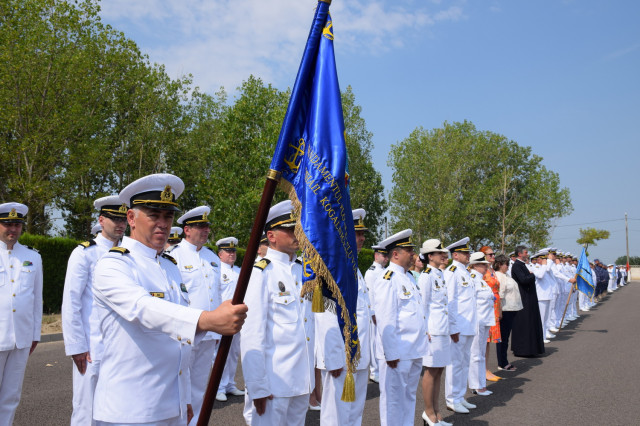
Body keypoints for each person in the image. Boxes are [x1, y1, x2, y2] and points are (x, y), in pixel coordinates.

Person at [92, 174, 247, 425]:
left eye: (168, 216)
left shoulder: (169, 265)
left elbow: (178, 340)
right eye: (154, 215)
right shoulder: (113, 264)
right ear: (131, 218)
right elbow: (144, 308)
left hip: (170, 404)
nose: (163, 224)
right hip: (131, 408)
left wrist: (183, 398)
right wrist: (207, 320)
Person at [240, 200, 315, 426]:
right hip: (275, 383)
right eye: (291, 229)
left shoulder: (303, 270)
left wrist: (313, 380)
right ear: (271, 236)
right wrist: (257, 386)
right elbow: (252, 333)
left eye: (299, 228)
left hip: (301, 380)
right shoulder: (261, 272)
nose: (297, 233)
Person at [62, 195, 127, 425]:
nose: (120, 224)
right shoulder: (85, 253)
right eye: (114, 219)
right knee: (86, 410)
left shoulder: (128, 254)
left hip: (121, 346)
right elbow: (71, 302)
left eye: (123, 219)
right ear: (101, 220)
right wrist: (77, 346)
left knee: (117, 409)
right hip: (92, 346)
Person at [315, 208, 373, 425]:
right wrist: (333, 357)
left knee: (354, 412)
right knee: (335, 413)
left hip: (358, 353)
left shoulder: (353, 266)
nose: (362, 238)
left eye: (362, 233)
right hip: (341, 356)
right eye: (357, 233)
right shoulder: (329, 267)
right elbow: (325, 315)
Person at [168, 205, 224, 419]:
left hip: (210, 331)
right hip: (186, 331)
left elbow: (217, 292)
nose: (206, 230)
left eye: (207, 226)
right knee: (180, 382)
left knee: (200, 385)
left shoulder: (212, 257)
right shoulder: (174, 256)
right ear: (187, 230)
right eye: (200, 227)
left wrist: (217, 330)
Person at [373, 229, 427, 426]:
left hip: (414, 349)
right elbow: (385, 319)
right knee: (393, 401)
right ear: (395, 254)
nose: (413, 254)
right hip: (397, 352)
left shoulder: (409, 277)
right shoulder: (387, 278)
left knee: (409, 397)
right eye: (409, 250)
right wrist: (391, 353)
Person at [0, 202, 42, 426]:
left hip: (21, 338)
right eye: (7, 224)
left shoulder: (32, 256)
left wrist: (35, 334)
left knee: (11, 396)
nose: (13, 229)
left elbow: (36, 299)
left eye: (17, 225)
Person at [418, 239, 453, 426]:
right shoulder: (426, 276)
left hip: (442, 328)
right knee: (431, 371)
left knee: (439, 370)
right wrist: (424, 330)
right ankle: (428, 412)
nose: (443, 255)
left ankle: (437, 412)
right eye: (440, 253)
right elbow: (422, 305)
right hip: (433, 330)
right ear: (430, 256)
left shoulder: (439, 274)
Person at [443, 237, 477, 414]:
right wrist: (453, 327)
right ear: (455, 255)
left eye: (468, 252)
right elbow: (450, 301)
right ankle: (452, 399)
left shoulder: (466, 272)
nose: (468, 255)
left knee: (464, 363)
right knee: (455, 364)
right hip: (458, 326)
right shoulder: (452, 272)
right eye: (465, 253)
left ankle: (460, 396)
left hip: (469, 324)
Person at [216, 236, 246, 400]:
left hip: (237, 316)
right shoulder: (217, 270)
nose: (232, 254)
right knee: (220, 353)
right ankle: (219, 387)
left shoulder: (239, 271)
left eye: (233, 251)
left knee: (233, 353)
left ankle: (229, 384)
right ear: (220, 254)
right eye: (228, 251)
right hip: (222, 316)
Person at [468, 252, 495, 397]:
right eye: (483, 264)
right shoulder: (472, 279)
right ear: (475, 265)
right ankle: (476, 386)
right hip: (477, 321)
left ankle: (481, 384)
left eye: (486, 264)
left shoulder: (481, 280)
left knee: (481, 354)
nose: (486, 267)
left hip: (485, 320)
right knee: (475, 354)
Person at [510, 245, 545, 357]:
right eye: (525, 252)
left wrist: (530, 275)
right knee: (524, 323)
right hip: (523, 298)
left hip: (528, 297)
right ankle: (523, 349)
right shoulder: (517, 265)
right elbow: (523, 280)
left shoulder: (522, 265)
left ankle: (532, 348)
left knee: (530, 322)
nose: (527, 254)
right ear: (520, 254)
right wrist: (532, 275)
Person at [364, 244, 389, 383]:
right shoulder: (371, 272)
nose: (386, 258)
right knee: (374, 342)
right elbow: (370, 295)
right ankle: (374, 371)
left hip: (384, 311)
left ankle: (382, 368)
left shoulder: (385, 271)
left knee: (383, 341)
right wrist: (373, 313)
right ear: (376, 255)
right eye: (383, 255)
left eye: (387, 256)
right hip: (376, 313)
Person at [494, 254, 522, 371]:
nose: (508, 266)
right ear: (500, 264)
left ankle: (503, 361)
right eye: (506, 264)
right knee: (503, 339)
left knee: (505, 337)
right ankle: (503, 362)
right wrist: (499, 312)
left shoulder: (505, 275)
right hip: (505, 310)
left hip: (511, 309)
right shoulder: (499, 276)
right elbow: (499, 296)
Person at [479, 246, 501, 382]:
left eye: (493, 254)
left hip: (495, 308)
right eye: (490, 255)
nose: (493, 256)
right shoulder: (481, 272)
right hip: (486, 309)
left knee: (488, 342)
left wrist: (500, 310)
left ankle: (486, 369)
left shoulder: (492, 270)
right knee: (484, 341)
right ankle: (483, 370)